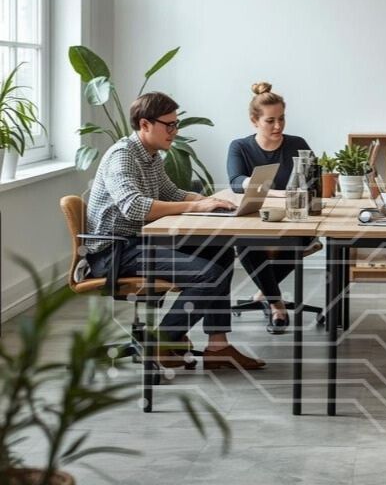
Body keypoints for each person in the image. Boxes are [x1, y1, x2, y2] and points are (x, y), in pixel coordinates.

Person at [85, 92, 265, 372]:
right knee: (208, 274)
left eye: (176, 124)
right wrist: (196, 207)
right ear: (145, 124)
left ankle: (218, 346)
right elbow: (134, 207)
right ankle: (161, 342)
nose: (175, 131)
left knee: (219, 251)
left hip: (140, 242)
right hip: (115, 251)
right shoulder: (123, 156)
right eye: (169, 125)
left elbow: (172, 193)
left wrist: (208, 201)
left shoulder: (151, 156)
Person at [226, 82, 313, 334]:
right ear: (254, 121)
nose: (278, 126)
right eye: (270, 120)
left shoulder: (297, 144)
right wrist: (272, 191)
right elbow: (236, 181)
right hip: (256, 219)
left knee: (297, 241)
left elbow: (312, 180)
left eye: (281, 119)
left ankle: (266, 294)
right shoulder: (240, 147)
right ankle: (277, 304)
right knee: (245, 242)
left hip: (294, 220)